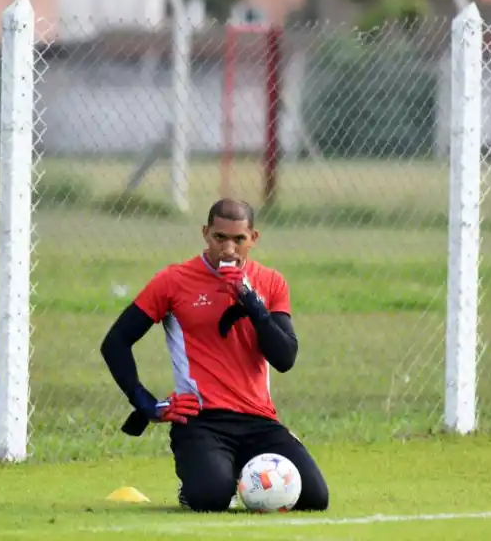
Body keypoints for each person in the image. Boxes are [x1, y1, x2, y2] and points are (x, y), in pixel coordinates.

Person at [100, 198, 330, 513]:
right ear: (205, 233)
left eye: (239, 239)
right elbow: (115, 342)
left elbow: (284, 359)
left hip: (259, 420)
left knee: (315, 498)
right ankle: (205, 478)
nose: (229, 249)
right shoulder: (173, 280)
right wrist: (147, 404)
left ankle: (238, 469)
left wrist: (250, 300)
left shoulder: (271, 282)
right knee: (210, 498)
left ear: (254, 238)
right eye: (220, 237)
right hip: (201, 421)